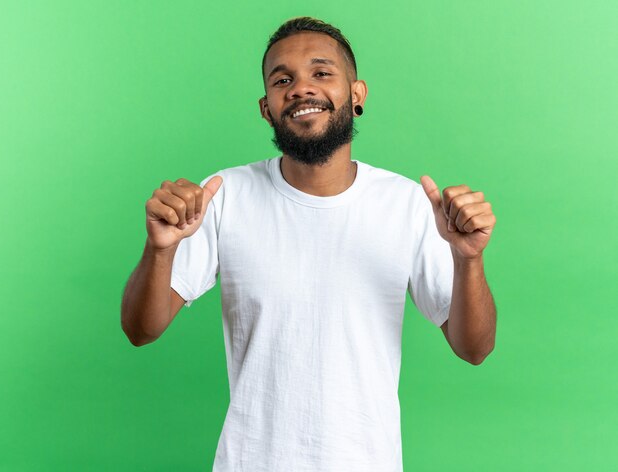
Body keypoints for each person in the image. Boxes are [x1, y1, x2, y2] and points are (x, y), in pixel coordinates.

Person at [121, 16, 496, 471]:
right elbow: (141, 330)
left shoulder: (408, 205)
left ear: (356, 95)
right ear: (266, 107)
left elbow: (474, 348)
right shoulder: (224, 197)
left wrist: (468, 258)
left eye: (321, 72)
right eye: (283, 79)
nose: (300, 88)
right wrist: (159, 249)